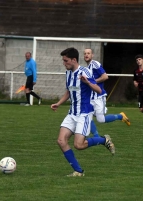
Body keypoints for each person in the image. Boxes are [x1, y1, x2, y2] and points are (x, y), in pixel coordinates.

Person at [51, 47, 115, 177]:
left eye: (66, 61)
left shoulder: (85, 72)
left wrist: (87, 82)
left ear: (74, 60)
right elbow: (69, 91)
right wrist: (58, 103)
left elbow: (98, 90)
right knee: (61, 141)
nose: (64, 63)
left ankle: (103, 140)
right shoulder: (68, 73)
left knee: (78, 145)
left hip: (84, 113)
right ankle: (78, 171)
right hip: (72, 112)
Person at [84, 48, 130, 137]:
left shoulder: (95, 64)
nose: (86, 55)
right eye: (85, 53)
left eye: (88, 53)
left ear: (92, 55)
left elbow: (105, 76)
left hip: (99, 97)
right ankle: (96, 136)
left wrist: (93, 82)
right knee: (87, 116)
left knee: (101, 120)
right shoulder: (87, 68)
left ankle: (120, 116)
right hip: (90, 97)